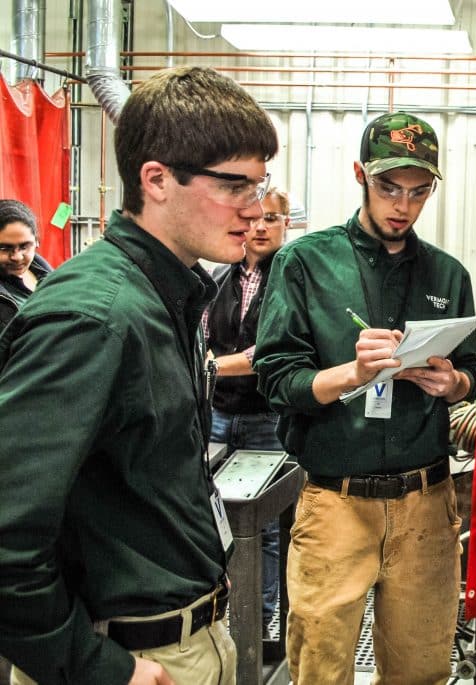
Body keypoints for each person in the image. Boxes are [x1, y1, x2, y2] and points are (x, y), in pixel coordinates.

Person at [0, 66, 278, 685]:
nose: (255, 211)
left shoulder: (166, 296)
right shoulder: (95, 318)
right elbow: (7, 536)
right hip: (132, 658)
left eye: (260, 186)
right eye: (235, 186)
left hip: (186, 632)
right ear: (155, 179)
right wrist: (99, 668)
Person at [254, 111, 476, 684]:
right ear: (360, 174)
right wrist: (351, 374)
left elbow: (473, 369)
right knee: (320, 669)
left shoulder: (446, 275)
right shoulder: (305, 263)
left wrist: (453, 383)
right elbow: (277, 378)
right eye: (388, 188)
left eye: (418, 192)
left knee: (421, 670)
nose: (401, 206)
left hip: (426, 506)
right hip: (336, 504)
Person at [203, 187, 291, 638]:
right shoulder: (220, 275)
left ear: (286, 224)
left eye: (270, 219)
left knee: (267, 526)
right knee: (217, 517)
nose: (259, 227)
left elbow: (267, 353)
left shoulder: (291, 278)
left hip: (266, 421)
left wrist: (209, 366)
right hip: (219, 414)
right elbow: (202, 333)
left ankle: (257, 619)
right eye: (252, 218)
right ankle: (223, 606)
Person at [0, 199, 53, 330]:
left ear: (37, 241)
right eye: (4, 248)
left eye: (24, 247)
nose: (17, 257)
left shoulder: (52, 278)